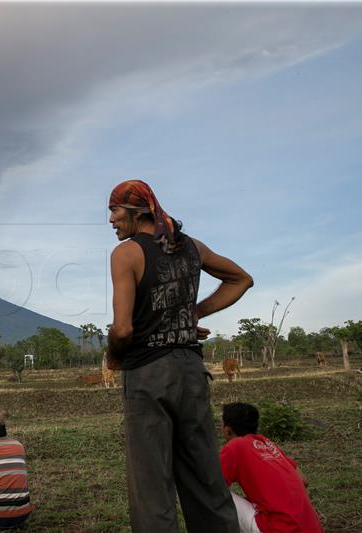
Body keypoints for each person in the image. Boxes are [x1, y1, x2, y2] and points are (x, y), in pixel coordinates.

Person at [106, 179, 254, 533]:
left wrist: (112, 357)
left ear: (136, 210)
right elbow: (241, 280)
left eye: (114, 210)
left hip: (147, 373)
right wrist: (193, 313)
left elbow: (123, 329)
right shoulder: (191, 247)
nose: (110, 220)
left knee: (151, 485)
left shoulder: (126, 253)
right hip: (190, 369)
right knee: (205, 476)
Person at [220, 403, 324, 533]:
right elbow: (304, 480)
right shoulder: (266, 443)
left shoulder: (234, 446)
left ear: (227, 430)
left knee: (210, 494)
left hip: (279, 528)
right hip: (311, 528)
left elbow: (213, 487)